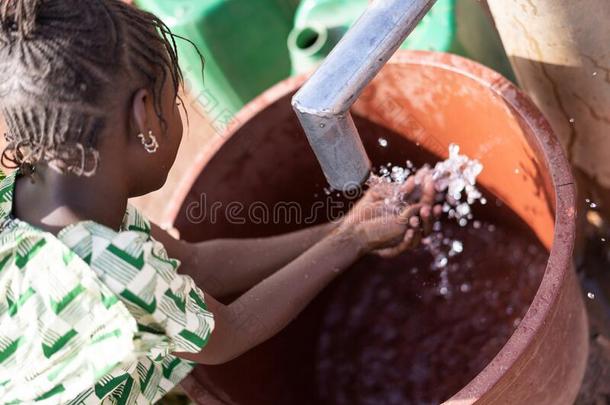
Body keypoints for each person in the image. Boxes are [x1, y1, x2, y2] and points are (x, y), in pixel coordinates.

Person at [0, 0, 438, 403]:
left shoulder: (40, 198)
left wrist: (344, 226)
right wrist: (355, 239)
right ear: (145, 116)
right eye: (176, 100)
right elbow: (230, 331)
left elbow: (193, 264)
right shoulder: (116, 267)